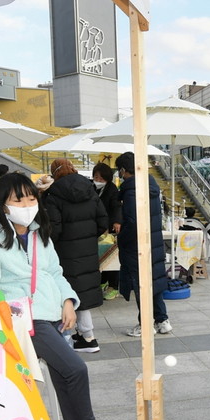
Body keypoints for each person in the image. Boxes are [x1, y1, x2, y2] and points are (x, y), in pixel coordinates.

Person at [0, 174, 125, 420]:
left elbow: (55, 273)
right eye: (18, 200)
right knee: (76, 369)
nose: (27, 205)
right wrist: (5, 315)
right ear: (2, 205)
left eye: (31, 198)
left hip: (53, 315)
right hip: (25, 321)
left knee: (62, 376)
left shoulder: (41, 235)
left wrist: (68, 301)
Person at [43, 158, 108, 353]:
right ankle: (87, 335)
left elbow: (54, 228)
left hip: (64, 250)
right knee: (83, 291)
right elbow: (103, 220)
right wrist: (88, 237)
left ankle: (76, 337)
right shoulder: (89, 189)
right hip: (87, 248)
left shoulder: (53, 194)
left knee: (67, 292)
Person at [114, 151, 171, 336]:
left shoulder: (132, 191)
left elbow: (132, 222)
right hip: (152, 241)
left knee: (142, 285)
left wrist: (121, 238)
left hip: (137, 246)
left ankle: (145, 325)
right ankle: (162, 320)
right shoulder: (151, 185)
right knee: (153, 280)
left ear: (123, 170)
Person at [93, 161, 123, 300]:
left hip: (109, 227)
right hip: (96, 228)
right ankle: (102, 281)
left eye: (101, 178)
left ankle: (113, 286)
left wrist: (117, 221)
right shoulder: (91, 187)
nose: (98, 181)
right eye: (96, 177)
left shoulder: (112, 189)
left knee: (111, 257)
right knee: (100, 258)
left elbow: (116, 206)